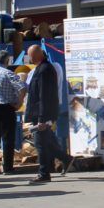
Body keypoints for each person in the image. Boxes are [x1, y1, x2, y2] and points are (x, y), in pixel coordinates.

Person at [24, 45, 65, 184]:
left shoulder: (44, 70)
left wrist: (42, 119)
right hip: (42, 113)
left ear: (36, 56)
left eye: (31, 56)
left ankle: (44, 173)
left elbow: (44, 96)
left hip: (43, 114)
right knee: (47, 141)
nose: (30, 59)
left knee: (40, 143)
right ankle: (66, 159)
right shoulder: (43, 68)